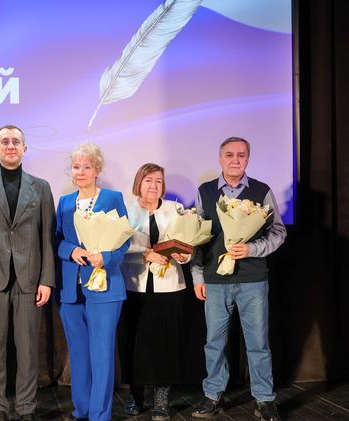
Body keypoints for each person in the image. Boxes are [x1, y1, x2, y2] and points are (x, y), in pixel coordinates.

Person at [190, 137, 286, 421]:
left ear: (248, 159)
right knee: (214, 343)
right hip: (214, 280)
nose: (235, 160)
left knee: (258, 343)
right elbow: (196, 237)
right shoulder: (205, 191)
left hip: (253, 279)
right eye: (230, 154)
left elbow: (278, 232)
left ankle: (264, 399)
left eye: (241, 155)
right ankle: (213, 395)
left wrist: (252, 249)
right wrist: (197, 276)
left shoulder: (261, 190)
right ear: (220, 158)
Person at [0, 124, 56, 421]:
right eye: (4, 142)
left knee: (27, 350)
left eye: (16, 141)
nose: (10, 146)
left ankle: (26, 408)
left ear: (24, 148)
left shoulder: (41, 187)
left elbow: (47, 237)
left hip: (30, 279)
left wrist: (47, 280)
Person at [55, 143, 130, 421]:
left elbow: (125, 240)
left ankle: (100, 415)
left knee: (101, 355)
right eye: (76, 167)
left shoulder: (112, 198)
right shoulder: (64, 202)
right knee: (78, 354)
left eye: (87, 166)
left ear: (97, 169)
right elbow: (56, 240)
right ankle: (82, 410)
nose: (81, 172)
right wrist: (71, 250)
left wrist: (105, 257)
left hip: (105, 288)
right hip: (70, 290)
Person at [118, 163, 191, 420]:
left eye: (159, 181)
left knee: (165, 344)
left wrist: (183, 255)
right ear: (138, 182)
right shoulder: (125, 209)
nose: (154, 185)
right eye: (148, 180)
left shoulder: (175, 209)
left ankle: (162, 400)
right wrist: (145, 254)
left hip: (169, 286)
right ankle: (135, 397)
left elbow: (188, 244)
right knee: (133, 342)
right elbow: (116, 247)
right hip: (134, 285)